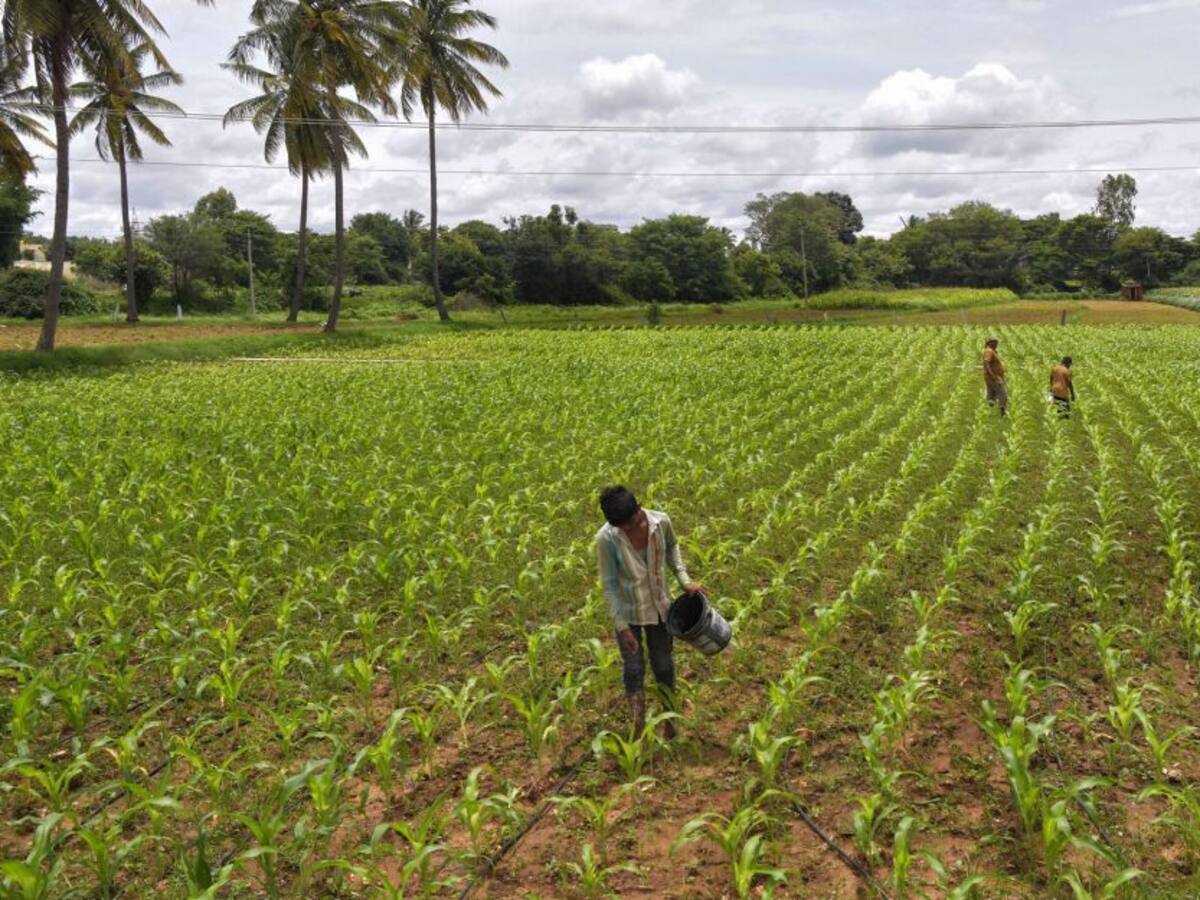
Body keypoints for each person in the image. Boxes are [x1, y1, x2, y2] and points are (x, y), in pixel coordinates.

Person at [596, 485, 704, 738]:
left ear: (639, 508)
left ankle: (670, 720)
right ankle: (638, 725)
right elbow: (609, 584)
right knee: (633, 669)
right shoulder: (607, 538)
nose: (628, 529)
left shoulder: (661, 522)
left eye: (631, 523)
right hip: (628, 613)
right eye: (621, 526)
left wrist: (684, 580)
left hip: (659, 608)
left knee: (664, 665)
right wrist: (622, 627)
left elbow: (673, 547)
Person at [983, 335, 1008, 415]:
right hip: (994, 377)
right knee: (1003, 393)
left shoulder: (992, 351)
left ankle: (990, 411)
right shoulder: (989, 351)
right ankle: (1002, 410)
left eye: (996, 342)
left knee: (992, 395)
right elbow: (986, 363)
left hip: (993, 377)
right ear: (990, 343)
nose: (996, 344)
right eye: (994, 342)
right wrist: (993, 375)